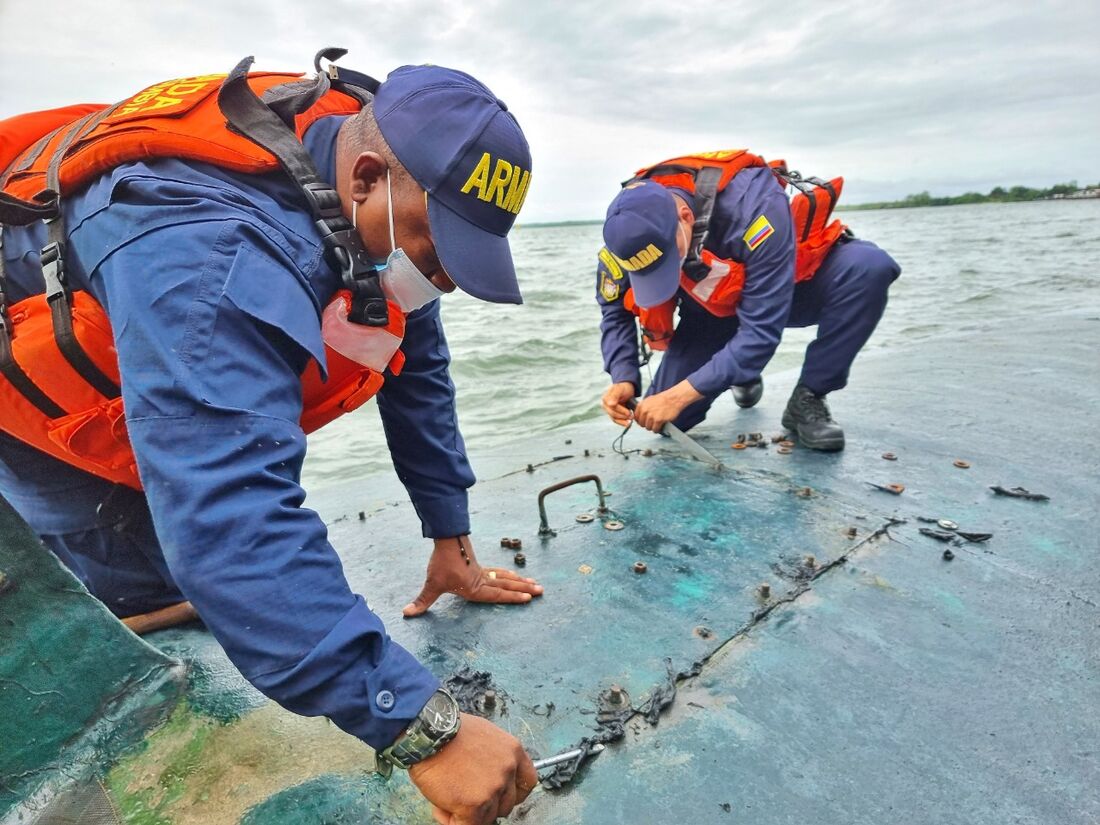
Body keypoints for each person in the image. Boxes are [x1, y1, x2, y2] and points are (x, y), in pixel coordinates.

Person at [0, 53, 539, 823]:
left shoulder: (376, 208)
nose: (445, 279)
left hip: (153, 339)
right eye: (436, 249)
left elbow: (415, 363)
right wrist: (424, 729)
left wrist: (450, 535)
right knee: (144, 598)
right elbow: (229, 518)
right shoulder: (209, 250)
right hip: (37, 384)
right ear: (363, 179)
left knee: (216, 586)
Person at [596, 150, 901, 450]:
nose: (663, 271)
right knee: (668, 423)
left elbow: (761, 330)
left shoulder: (754, 206)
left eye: (667, 258)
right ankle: (736, 370)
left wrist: (678, 396)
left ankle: (809, 395)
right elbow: (614, 311)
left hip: (777, 292)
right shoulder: (627, 232)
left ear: (686, 217)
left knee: (869, 268)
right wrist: (624, 377)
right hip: (709, 311)